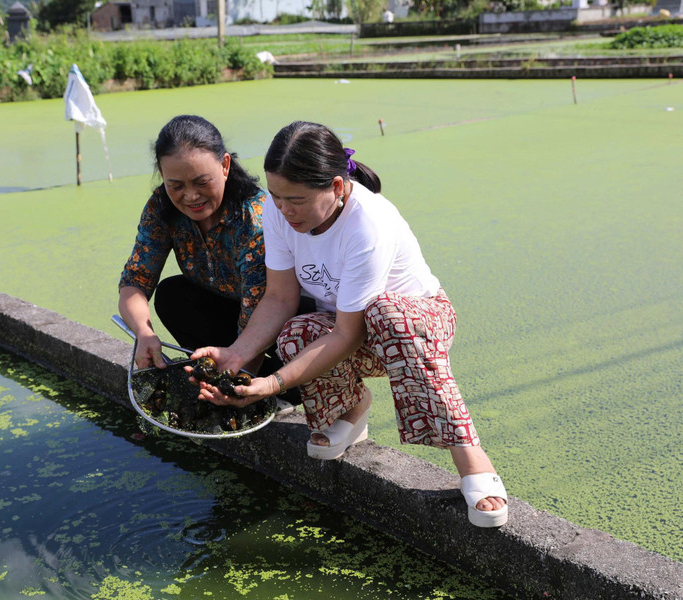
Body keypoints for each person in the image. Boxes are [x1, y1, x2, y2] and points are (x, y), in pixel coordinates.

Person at [188, 121, 509, 528]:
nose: (285, 210)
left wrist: (271, 384)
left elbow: (350, 332)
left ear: (337, 188)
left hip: (419, 323)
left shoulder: (368, 223)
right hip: (349, 327)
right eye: (277, 197)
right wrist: (236, 354)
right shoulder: (278, 210)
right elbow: (281, 297)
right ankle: (351, 409)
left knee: (386, 314)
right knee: (296, 332)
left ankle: (470, 454)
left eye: (297, 200)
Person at [117, 115, 305, 409]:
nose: (190, 196)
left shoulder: (254, 217)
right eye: (175, 185)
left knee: (294, 334)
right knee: (172, 296)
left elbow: (260, 307)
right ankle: (237, 381)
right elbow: (134, 281)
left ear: (225, 166)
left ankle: (274, 387)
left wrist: (236, 381)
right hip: (226, 309)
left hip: (276, 317)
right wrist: (144, 332)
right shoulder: (160, 206)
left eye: (202, 182)